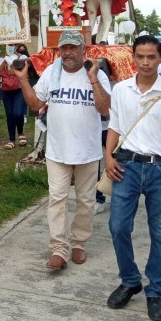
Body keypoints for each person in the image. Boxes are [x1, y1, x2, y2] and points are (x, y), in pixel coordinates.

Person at [104, 35, 161, 321]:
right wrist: (108, 157)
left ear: (160, 58)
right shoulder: (121, 90)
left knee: (160, 232)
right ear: (133, 57)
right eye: (140, 56)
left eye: (151, 57)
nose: (145, 62)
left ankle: (155, 290)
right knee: (118, 226)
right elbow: (115, 127)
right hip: (126, 166)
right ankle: (130, 280)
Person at [12, 29, 111, 270]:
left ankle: (78, 243)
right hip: (58, 150)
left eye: (73, 48)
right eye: (64, 48)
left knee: (86, 200)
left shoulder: (96, 74)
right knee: (57, 199)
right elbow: (36, 104)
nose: (68, 53)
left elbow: (105, 109)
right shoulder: (51, 73)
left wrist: (94, 79)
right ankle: (59, 248)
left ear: (82, 50)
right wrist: (23, 80)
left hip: (88, 151)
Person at [0, 44, 36, 149]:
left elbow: (27, 71)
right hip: (6, 90)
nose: (11, 47)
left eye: (13, 45)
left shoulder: (22, 57)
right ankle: (11, 139)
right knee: (9, 114)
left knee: (18, 113)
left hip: (19, 89)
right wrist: (4, 63)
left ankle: (20, 133)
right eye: (9, 45)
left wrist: (16, 67)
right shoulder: (3, 58)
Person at [94, 57, 115, 215]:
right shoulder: (90, 77)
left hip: (109, 129)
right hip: (94, 129)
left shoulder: (118, 85)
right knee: (95, 165)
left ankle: (105, 195)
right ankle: (97, 197)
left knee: (112, 162)